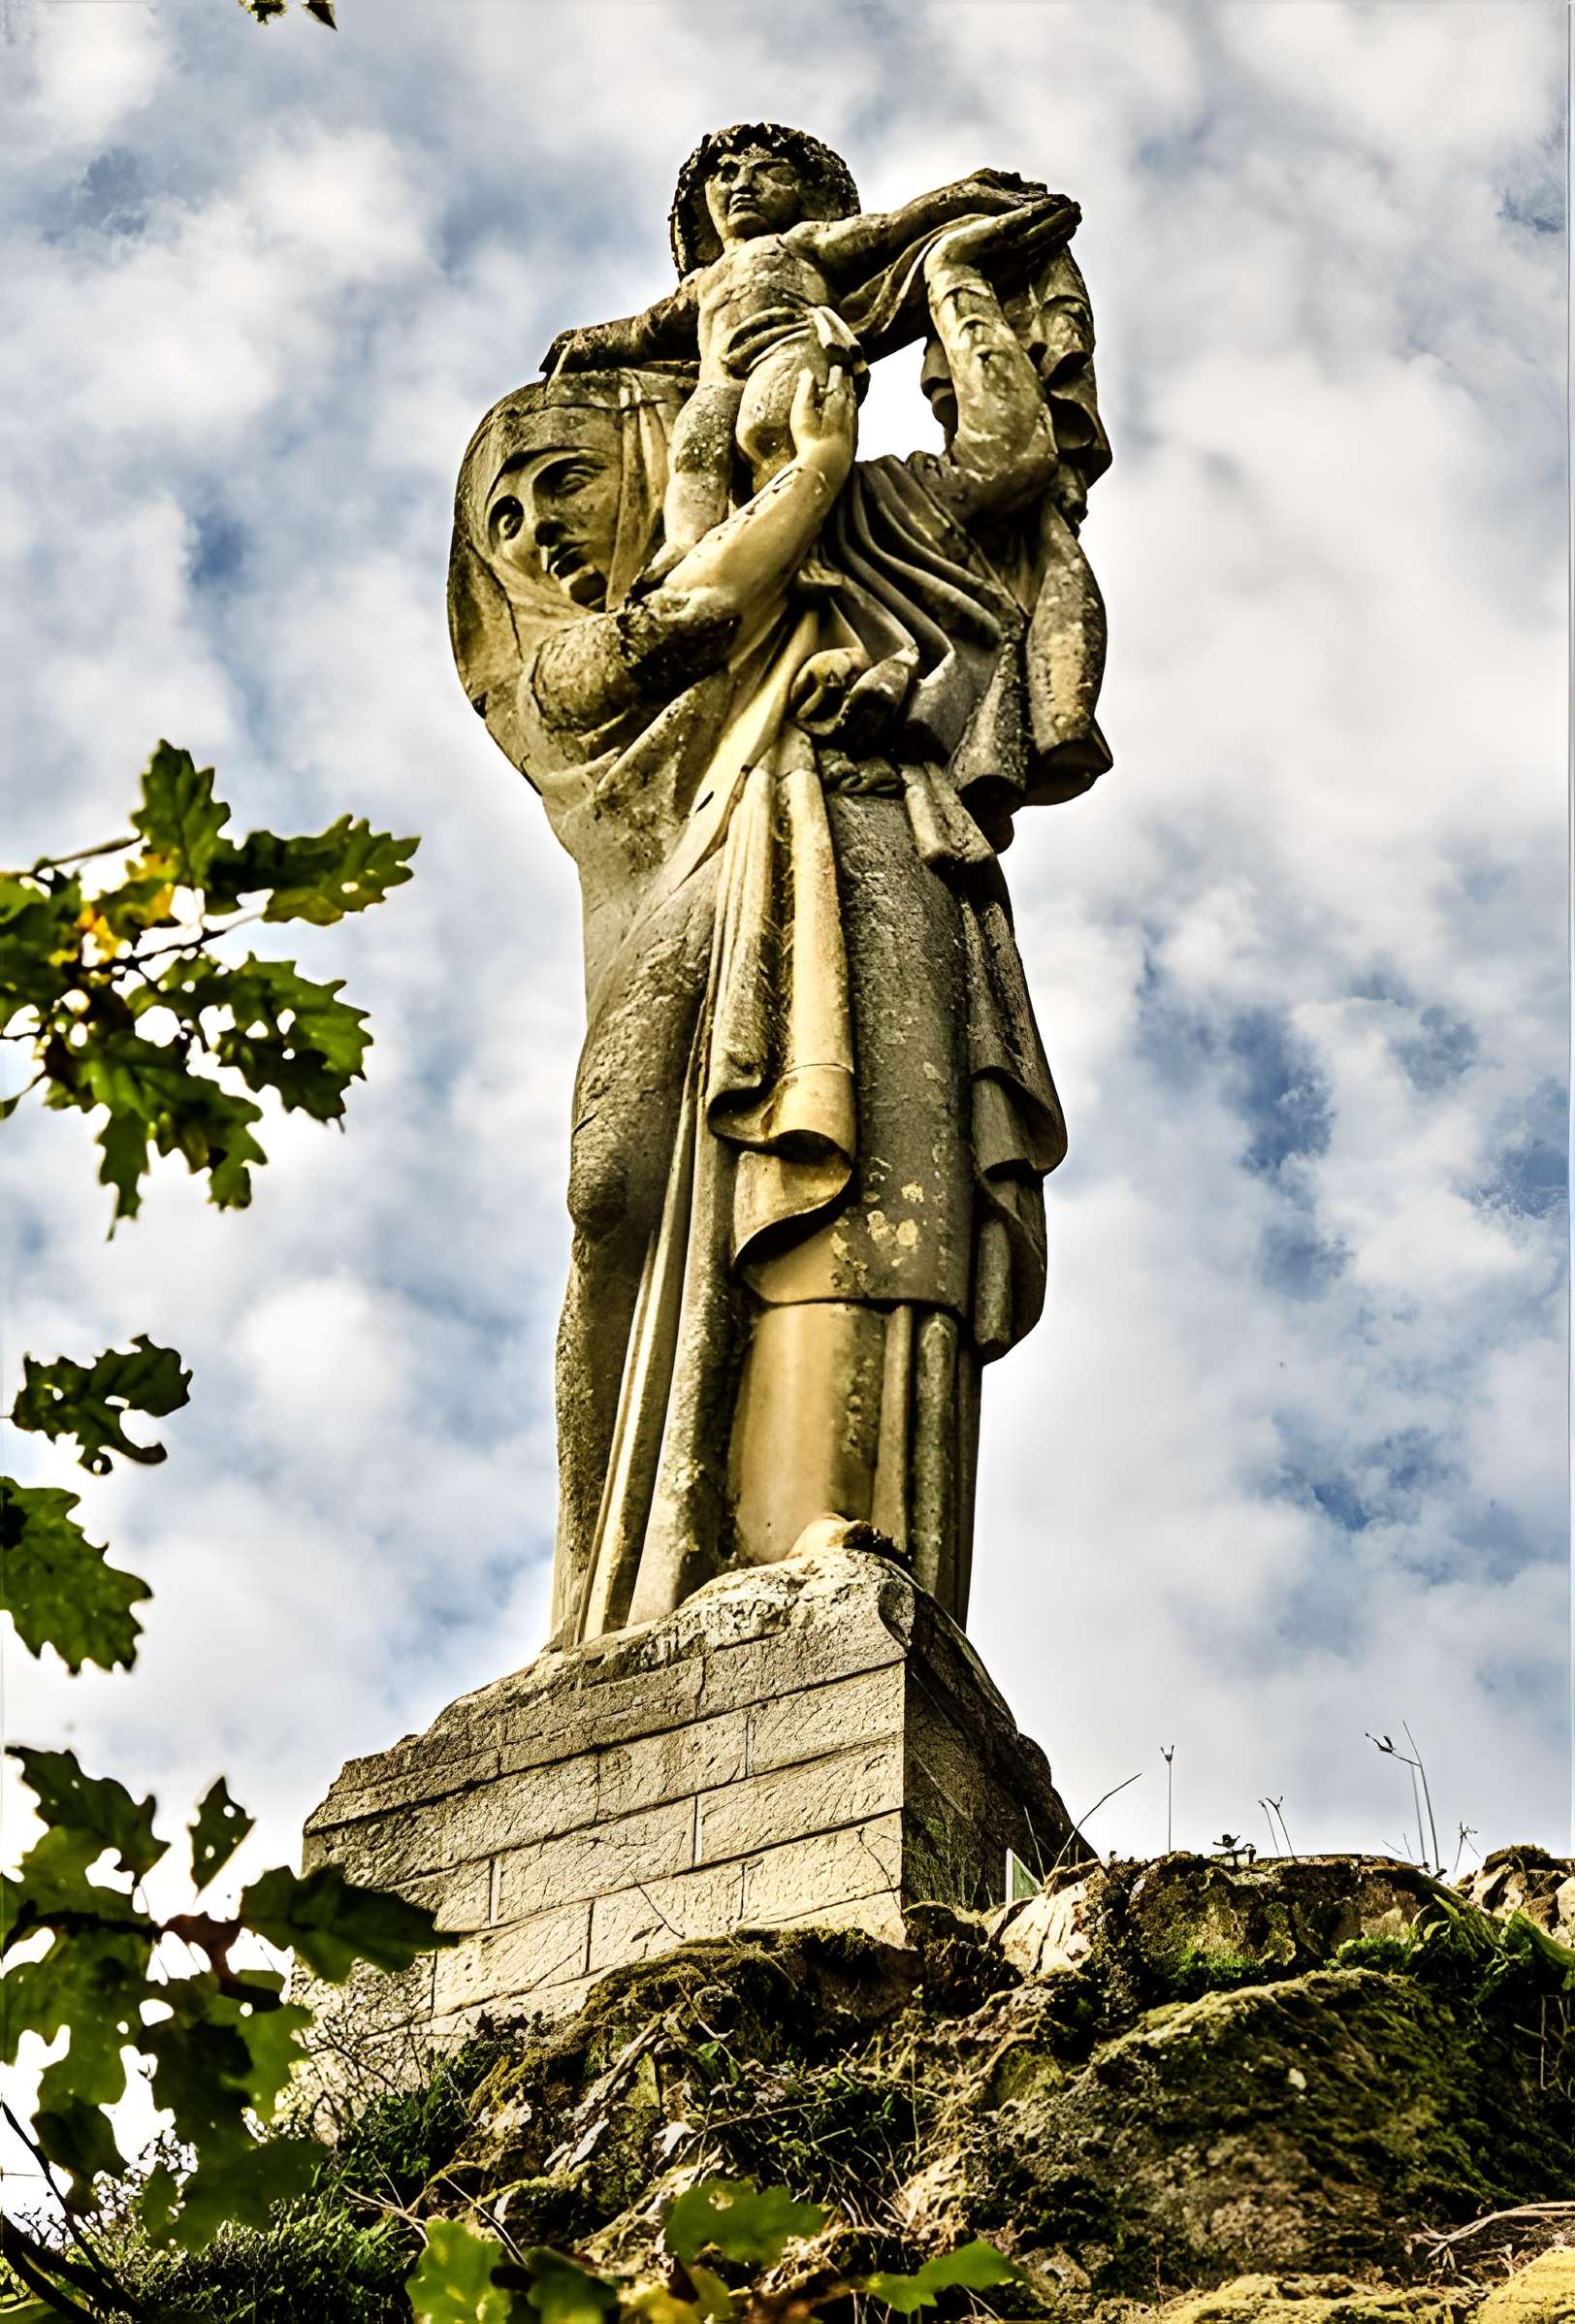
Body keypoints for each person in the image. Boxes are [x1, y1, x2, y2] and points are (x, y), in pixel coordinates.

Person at [448, 191, 1112, 1649]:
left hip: (855, 828)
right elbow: (683, 610)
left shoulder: (882, 513)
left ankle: (813, 1516)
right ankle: (601, 1592)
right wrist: (797, 475)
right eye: (506, 514)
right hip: (710, 850)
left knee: (846, 1155)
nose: (537, 526)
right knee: (611, 1201)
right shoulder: (590, 638)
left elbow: (1008, 469)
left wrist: (954, 284)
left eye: (560, 483)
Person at [542, 121, 1077, 580]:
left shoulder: (799, 242)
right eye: (725, 174)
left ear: (801, 191)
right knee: (693, 452)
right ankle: (688, 546)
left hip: (790, 348)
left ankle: (797, 543)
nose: (742, 185)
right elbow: (644, 331)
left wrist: (959, 198)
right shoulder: (703, 283)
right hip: (718, 378)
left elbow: (888, 231)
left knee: (771, 429)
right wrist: (588, 344)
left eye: (766, 171)